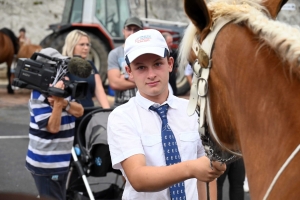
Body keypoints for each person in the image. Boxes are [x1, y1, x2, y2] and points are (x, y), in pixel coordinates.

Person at [107, 29, 226, 199]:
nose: (151, 74)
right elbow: (138, 178)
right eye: (141, 67)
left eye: (157, 64)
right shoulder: (122, 117)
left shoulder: (193, 111)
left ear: (170, 64)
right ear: (129, 71)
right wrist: (191, 168)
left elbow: (206, 172)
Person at [25, 48, 84, 200]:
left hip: (60, 161)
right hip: (46, 163)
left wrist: (63, 102)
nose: (62, 70)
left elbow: (79, 111)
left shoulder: (64, 87)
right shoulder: (38, 94)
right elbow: (53, 127)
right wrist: (58, 103)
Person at [62, 29, 110, 108]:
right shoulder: (64, 65)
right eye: (82, 44)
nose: (86, 48)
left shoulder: (90, 65)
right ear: (72, 46)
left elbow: (99, 90)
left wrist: (108, 111)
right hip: (71, 114)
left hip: (89, 113)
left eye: (88, 45)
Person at [107, 17, 143, 107]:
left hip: (143, 105)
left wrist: (124, 77)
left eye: (135, 30)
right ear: (123, 31)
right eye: (129, 29)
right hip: (121, 105)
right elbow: (114, 83)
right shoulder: (115, 53)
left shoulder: (146, 53)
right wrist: (141, 80)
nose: (132, 33)